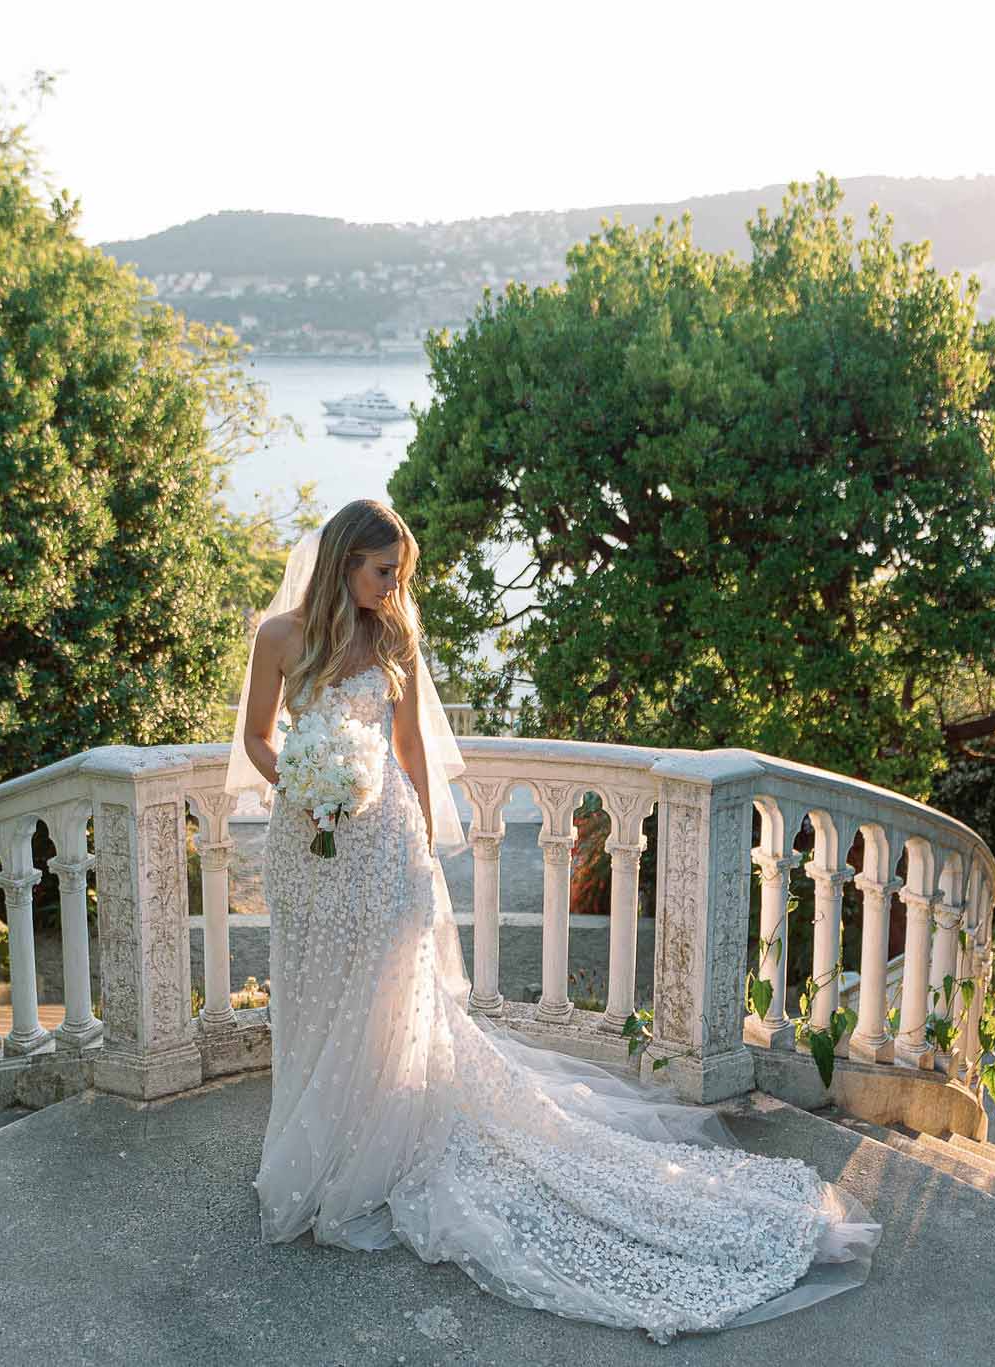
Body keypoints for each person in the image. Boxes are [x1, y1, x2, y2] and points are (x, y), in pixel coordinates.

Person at [222, 499, 881, 1343]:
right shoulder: (278, 636)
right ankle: (319, 1143)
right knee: (318, 992)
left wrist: (422, 837)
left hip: (383, 844)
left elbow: (416, 750)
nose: (394, 588)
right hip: (309, 840)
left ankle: (373, 1146)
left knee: (386, 1000)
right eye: (384, 572)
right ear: (347, 559)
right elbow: (256, 741)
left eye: (400, 575)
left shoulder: (393, 634)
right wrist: (305, 788)